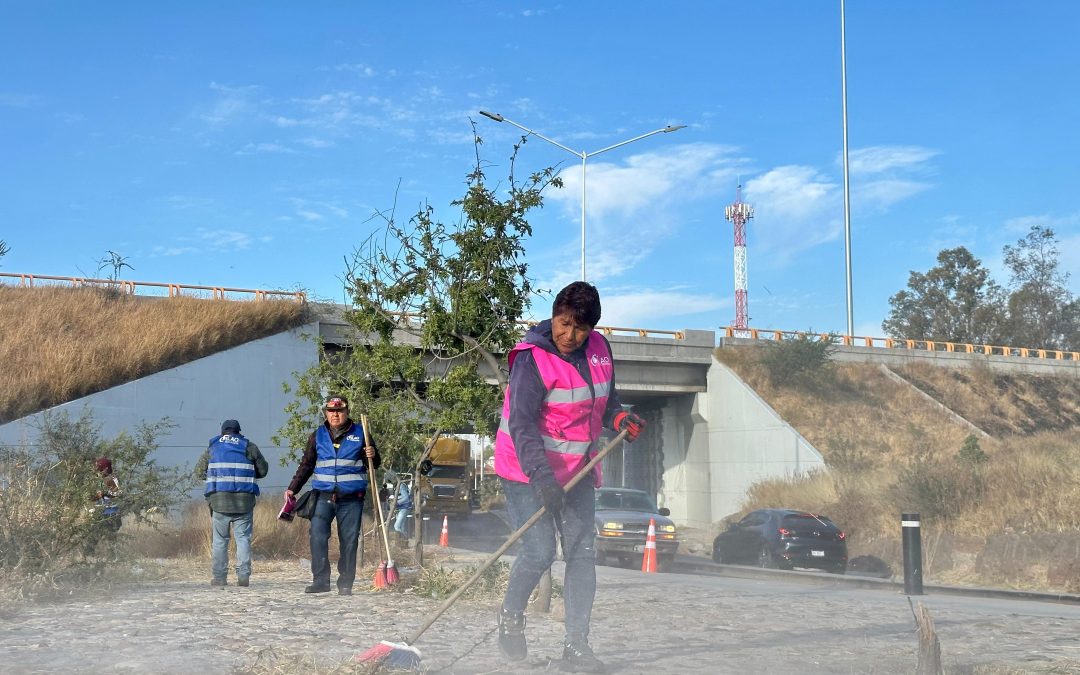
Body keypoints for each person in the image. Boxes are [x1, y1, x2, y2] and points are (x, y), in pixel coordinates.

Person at [494, 281, 646, 673]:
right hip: (526, 470)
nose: (568, 335)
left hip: (577, 471)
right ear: (554, 315)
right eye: (562, 324)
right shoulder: (531, 358)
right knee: (540, 551)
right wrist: (543, 478)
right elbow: (523, 425)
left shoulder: (600, 350)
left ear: (592, 328)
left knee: (581, 554)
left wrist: (619, 419)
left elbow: (606, 402)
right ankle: (510, 618)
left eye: (579, 329)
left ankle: (576, 645)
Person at [286, 395, 379, 596]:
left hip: (352, 498)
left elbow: (375, 463)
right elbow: (307, 465)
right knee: (317, 538)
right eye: (331, 411)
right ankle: (320, 581)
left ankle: (345, 583)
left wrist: (372, 454)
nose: (335, 414)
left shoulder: (361, 433)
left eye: (339, 411)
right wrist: (293, 487)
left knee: (350, 540)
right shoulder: (317, 435)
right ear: (325, 413)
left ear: (347, 412)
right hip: (322, 496)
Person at [196, 419, 269, 588]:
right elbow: (263, 471)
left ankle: (220, 577)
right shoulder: (249, 446)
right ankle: (243, 576)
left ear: (223, 432)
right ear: (239, 432)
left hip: (219, 502)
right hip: (244, 502)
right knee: (243, 539)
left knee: (220, 541)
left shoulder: (212, 447)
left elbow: (199, 472)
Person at [391, 475, 413, 540]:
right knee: (402, 526)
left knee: (396, 526)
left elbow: (406, 497)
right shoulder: (401, 485)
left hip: (404, 507)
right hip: (403, 507)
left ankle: (402, 540)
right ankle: (404, 542)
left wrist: (397, 502)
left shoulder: (401, 486)